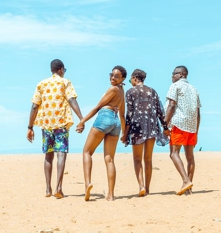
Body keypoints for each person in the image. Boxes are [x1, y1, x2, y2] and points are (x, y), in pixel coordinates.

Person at [27, 59, 84, 199]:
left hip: (46, 124)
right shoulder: (65, 82)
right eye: (64, 70)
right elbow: (72, 100)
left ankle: (48, 189)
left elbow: (34, 106)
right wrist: (81, 118)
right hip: (61, 123)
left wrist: (30, 127)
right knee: (61, 153)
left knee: (48, 155)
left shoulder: (41, 84)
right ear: (60, 69)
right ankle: (58, 187)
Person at [76, 66, 127, 201]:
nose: (113, 78)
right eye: (112, 75)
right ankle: (110, 195)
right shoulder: (122, 91)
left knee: (87, 151)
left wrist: (82, 121)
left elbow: (98, 107)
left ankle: (87, 183)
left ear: (122, 78)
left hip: (105, 116)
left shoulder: (113, 89)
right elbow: (122, 115)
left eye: (117, 76)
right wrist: (124, 132)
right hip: (115, 122)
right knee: (109, 159)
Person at [123, 69, 169, 197]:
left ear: (135, 78)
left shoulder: (130, 92)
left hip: (137, 127)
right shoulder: (152, 91)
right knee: (148, 159)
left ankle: (141, 186)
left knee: (137, 159)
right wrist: (165, 127)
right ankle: (147, 189)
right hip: (152, 127)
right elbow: (160, 111)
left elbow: (129, 114)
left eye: (130, 79)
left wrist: (125, 133)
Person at [164, 65, 201, 195]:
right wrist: (196, 130)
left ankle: (186, 181)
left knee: (174, 153)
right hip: (192, 126)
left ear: (181, 74)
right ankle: (188, 189)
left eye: (174, 73)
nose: (172, 76)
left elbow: (171, 105)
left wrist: (165, 124)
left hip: (179, 124)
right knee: (190, 157)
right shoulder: (194, 89)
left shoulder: (175, 86)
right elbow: (198, 113)